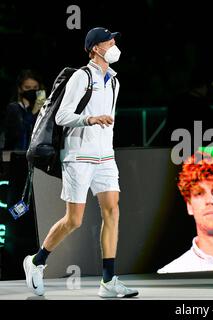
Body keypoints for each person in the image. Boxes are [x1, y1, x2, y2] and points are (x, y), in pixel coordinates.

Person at [22, 27, 138, 298]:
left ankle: (108, 282)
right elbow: (62, 116)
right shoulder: (80, 76)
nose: (113, 45)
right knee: (74, 220)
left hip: (105, 157)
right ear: (95, 48)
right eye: (108, 41)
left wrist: (103, 131)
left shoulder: (114, 81)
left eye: (113, 41)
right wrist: (90, 119)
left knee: (112, 210)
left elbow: (108, 120)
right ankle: (36, 261)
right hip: (78, 156)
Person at [3, 70, 46, 151]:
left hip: (36, 155)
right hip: (17, 154)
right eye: (27, 87)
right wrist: (33, 112)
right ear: (20, 89)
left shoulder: (43, 109)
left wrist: (43, 109)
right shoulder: (14, 108)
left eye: (35, 87)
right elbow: (18, 132)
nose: (31, 90)